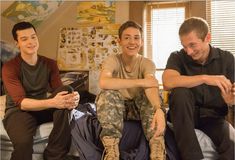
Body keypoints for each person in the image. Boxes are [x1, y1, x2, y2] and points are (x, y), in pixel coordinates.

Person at [2, 21, 79, 160]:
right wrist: (54, 102)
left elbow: (59, 91)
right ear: (17, 43)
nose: (31, 42)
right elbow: (21, 103)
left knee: (67, 91)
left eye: (33, 37)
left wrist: (73, 97)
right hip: (18, 112)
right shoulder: (10, 67)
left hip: (43, 108)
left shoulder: (50, 63)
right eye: (24, 39)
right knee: (23, 144)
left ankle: (54, 155)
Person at [162, 17, 235, 160]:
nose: (188, 51)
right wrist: (205, 78)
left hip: (213, 118)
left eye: (192, 45)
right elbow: (168, 82)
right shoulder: (177, 57)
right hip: (184, 116)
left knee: (232, 144)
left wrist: (231, 101)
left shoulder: (227, 58)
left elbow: (232, 97)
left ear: (207, 38)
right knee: (179, 91)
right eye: (184, 46)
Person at [95, 20, 166, 160]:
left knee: (151, 97)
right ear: (119, 41)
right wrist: (140, 82)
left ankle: (157, 149)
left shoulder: (147, 63)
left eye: (136, 37)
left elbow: (151, 85)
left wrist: (158, 109)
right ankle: (111, 151)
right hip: (118, 108)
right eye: (127, 38)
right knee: (107, 94)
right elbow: (104, 82)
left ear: (142, 41)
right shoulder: (112, 60)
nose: (132, 42)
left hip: (138, 108)